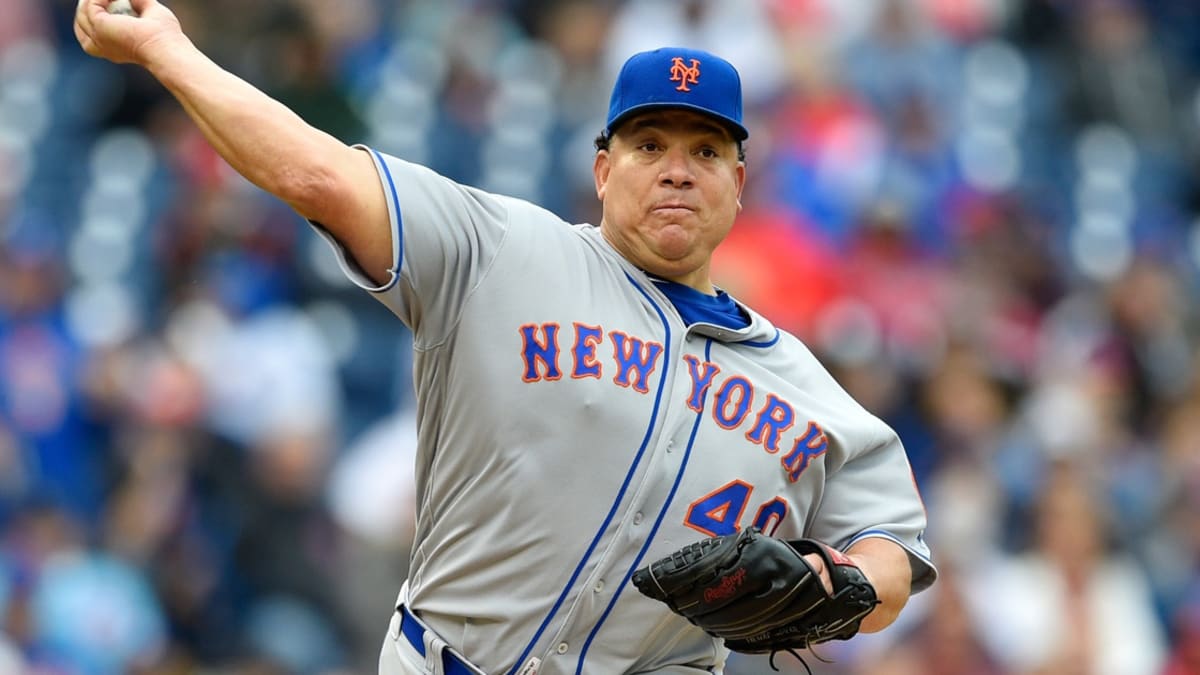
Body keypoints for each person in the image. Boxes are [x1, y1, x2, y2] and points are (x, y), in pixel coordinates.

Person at [74, 1, 937, 673]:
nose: (678, 166)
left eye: (706, 151)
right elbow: (316, 171)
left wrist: (844, 583)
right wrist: (168, 51)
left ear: (739, 181)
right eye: (650, 142)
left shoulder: (803, 385)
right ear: (603, 168)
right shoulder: (498, 249)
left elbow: (892, 548)